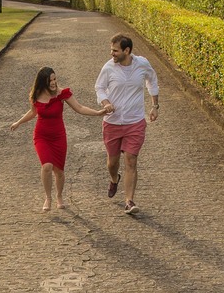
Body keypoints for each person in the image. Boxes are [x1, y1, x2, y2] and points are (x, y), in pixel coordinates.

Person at [10, 67, 109, 212]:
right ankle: (48, 198)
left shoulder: (62, 94)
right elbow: (33, 112)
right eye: (50, 80)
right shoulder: (36, 95)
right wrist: (18, 122)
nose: (53, 83)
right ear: (42, 82)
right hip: (41, 136)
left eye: (54, 79)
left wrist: (98, 113)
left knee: (59, 171)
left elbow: (79, 108)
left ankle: (59, 196)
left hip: (58, 137)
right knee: (47, 166)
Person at [96, 33, 159, 215]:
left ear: (127, 50)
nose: (112, 54)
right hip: (112, 123)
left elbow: (152, 80)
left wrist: (155, 105)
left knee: (131, 160)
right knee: (112, 162)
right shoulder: (108, 68)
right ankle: (114, 179)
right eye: (111, 50)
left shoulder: (142, 64)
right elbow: (99, 87)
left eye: (115, 51)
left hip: (135, 121)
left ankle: (129, 201)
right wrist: (105, 102)